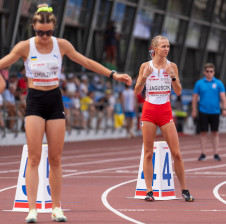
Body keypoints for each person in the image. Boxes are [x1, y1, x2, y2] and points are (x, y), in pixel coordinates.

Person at [0, 4, 131, 223]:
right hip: (34, 101)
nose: (44, 36)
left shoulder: (61, 45)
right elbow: (3, 62)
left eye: (48, 32)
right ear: (33, 27)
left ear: (54, 29)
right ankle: (32, 209)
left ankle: (56, 208)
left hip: (54, 100)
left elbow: (86, 62)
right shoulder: (25, 47)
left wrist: (113, 74)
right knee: (33, 157)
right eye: (40, 32)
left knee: (56, 158)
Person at [134, 35, 194, 202]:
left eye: (168, 46)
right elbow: (137, 91)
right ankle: (149, 190)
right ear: (155, 49)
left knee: (177, 153)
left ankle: (185, 190)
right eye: (163, 46)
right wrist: (145, 77)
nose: (166, 49)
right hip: (149, 112)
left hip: (165, 112)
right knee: (148, 153)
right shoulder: (145, 66)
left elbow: (179, 91)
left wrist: (173, 76)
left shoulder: (172, 66)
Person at [192, 63, 226, 161]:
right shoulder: (199, 83)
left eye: (211, 71)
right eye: (207, 71)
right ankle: (203, 153)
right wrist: (194, 111)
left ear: (214, 72)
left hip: (215, 111)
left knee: (215, 132)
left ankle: (216, 153)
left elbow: (223, 97)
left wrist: (224, 109)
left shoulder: (219, 83)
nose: (209, 73)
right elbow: (194, 98)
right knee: (203, 132)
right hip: (203, 111)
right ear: (204, 72)